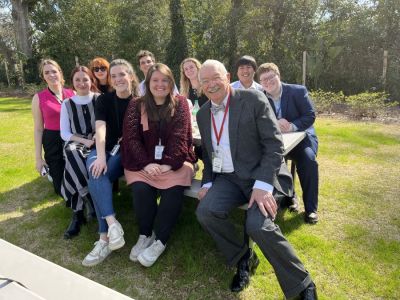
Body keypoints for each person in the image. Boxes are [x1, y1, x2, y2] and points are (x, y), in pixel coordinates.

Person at [195, 60, 317, 299]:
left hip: (260, 175)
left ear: (227, 76)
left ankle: (302, 284)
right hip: (228, 179)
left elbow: (274, 146)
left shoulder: (253, 100)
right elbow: (210, 156)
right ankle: (244, 257)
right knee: (205, 212)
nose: (210, 85)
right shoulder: (202, 114)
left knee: (257, 225)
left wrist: (263, 186)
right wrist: (208, 182)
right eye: (204, 81)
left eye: (215, 78)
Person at [122, 63, 196, 267]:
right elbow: (131, 138)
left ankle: (160, 240)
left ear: (171, 82)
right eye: (155, 80)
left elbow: (181, 135)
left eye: (165, 80)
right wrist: (146, 164)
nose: (160, 84)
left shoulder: (180, 103)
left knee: (173, 191)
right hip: (142, 163)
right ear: (148, 83)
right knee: (141, 189)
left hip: (175, 162)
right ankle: (145, 233)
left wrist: (169, 163)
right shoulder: (136, 104)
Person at [82, 59, 140, 267]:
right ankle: (112, 225)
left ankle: (104, 238)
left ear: (131, 76)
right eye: (113, 76)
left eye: (122, 75)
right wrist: (99, 156)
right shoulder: (104, 100)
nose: (117, 79)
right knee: (96, 169)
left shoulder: (140, 102)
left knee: (97, 176)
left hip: (126, 152)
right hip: (104, 148)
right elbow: (100, 129)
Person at [257, 62, 319, 224]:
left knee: (308, 161)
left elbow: (310, 115)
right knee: (268, 161)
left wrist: (292, 126)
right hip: (275, 142)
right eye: (264, 80)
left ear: (279, 76)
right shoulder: (260, 96)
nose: (268, 82)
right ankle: (288, 197)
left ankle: (311, 209)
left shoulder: (297, 91)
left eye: (271, 77)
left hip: (301, 139)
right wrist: (275, 123)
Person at [60, 66, 98, 239]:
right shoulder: (67, 104)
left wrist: (96, 138)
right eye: (77, 80)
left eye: (85, 79)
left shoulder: (100, 99)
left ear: (91, 81)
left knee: (71, 166)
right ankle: (88, 197)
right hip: (78, 142)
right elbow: (65, 133)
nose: (82, 83)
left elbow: (107, 123)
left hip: (98, 142)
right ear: (72, 83)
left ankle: (77, 214)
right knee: (72, 153)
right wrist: (84, 141)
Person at [32, 59, 75, 196]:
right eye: (47, 72)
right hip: (52, 140)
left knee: (76, 176)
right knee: (60, 189)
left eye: (54, 71)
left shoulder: (72, 93)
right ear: (43, 76)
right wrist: (38, 158)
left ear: (60, 73)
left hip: (71, 138)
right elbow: (38, 129)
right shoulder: (38, 98)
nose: (51, 75)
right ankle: (52, 171)